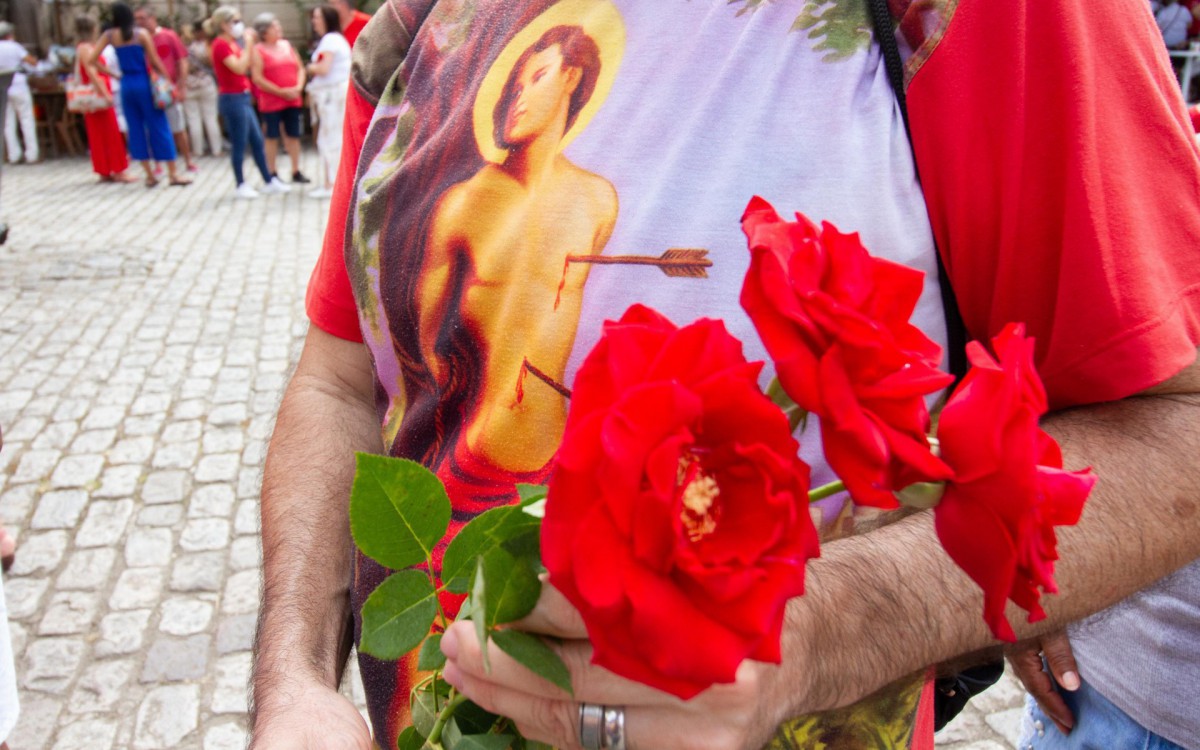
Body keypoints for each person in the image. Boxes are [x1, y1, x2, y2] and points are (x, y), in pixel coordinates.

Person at [248, 2, 1200, 750]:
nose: (523, 94)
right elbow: (340, 375)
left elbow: (1180, 429)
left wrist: (819, 633)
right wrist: (294, 683)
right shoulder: (419, 28)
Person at [88, 3, 190, 187]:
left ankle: (149, 175)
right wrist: (168, 81)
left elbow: (92, 60)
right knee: (159, 126)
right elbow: (154, 60)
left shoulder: (109, 35)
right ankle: (173, 173)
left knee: (135, 128)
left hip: (126, 83)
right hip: (144, 82)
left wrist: (114, 74)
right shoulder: (140, 34)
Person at [207, 6, 290, 199]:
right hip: (232, 99)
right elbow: (238, 67)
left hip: (242, 97)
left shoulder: (233, 43)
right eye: (234, 21)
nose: (238, 25)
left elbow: (248, 62)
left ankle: (268, 180)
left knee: (256, 140)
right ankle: (240, 183)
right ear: (223, 24)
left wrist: (248, 45)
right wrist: (249, 43)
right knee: (239, 142)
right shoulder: (220, 45)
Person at [134, 4, 198, 172]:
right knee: (152, 127)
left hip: (168, 87)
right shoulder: (137, 40)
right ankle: (159, 163)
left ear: (153, 18)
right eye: (137, 20)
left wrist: (181, 85)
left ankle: (188, 160)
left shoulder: (168, 36)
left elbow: (181, 60)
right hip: (147, 88)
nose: (139, 23)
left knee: (177, 125)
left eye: (143, 18)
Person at [74, 16, 135, 183]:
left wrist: (114, 75)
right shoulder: (86, 48)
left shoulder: (84, 48)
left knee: (99, 132)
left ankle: (105, 169)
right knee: (109, 131)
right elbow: (92, 72)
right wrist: (105, 94)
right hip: (98, 93)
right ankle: (117, 169)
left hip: (97, 93)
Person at [250, 13, 309, 185]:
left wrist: (298, 87)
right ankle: (272, 171)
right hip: (272, 102)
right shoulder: (258, 50)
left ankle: (295, 169)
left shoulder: (286, 45)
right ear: (264, 32)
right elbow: (258, 78)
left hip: (292, 99)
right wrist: (280, 91)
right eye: (274, 27)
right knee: (271, 135)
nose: (279, 30)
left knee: (293, 135)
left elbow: (300, 68)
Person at [304, 5, 350, 198]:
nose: (314, 22)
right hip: (333, 94)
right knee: (331, 137)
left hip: (332, 96)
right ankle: (331, 181)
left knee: (329, 138)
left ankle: (331, 183)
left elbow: (323, 68)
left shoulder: (331, 40)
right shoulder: (335, 39)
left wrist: (308, 68)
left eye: (317, 17)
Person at [182, 21, 223, 158]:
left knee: (194, 119)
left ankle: (198, 150)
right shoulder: (207, 47)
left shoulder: (186, 48)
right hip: (206, 83)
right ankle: (217, 149)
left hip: (189, 85)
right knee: (211, 118)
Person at [0, 22, 37, 165]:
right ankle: (31, 154)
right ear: (10, 34)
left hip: (3, 88)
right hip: (19, 85)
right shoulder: (14, 46)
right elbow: (31, 62)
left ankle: (14, 155)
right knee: (26, 119)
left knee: (8, 122)